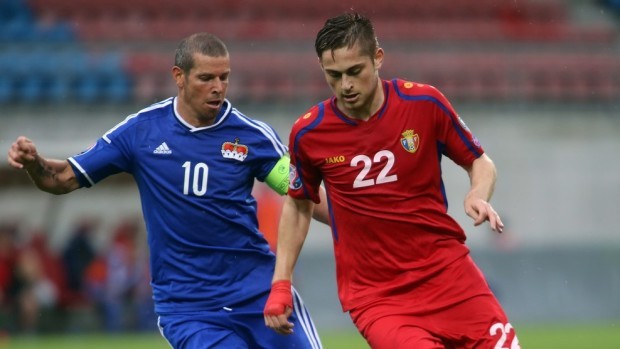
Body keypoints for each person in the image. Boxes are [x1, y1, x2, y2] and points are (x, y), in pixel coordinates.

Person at [8, 32, 324, 349]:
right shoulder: (141, 131)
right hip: (189, 308)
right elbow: (61, 178)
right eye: (206, 78)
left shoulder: (251, 136)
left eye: (224, 77)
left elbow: (303, 191)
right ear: (179, 77)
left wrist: (357, 219)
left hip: (257, 291)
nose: (217, 87)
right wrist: (35, 163)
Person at [263, 13, 520, 349]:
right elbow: (299, 205)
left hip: (450, 276)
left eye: (355, 71)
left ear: (378, 58)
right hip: (379, 297)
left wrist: (477, 194)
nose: (346, 85)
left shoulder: (423, 103)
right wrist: (281, 284)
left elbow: (479, 161)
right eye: (334, 76)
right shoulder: (309, 133)